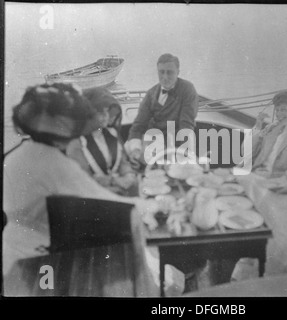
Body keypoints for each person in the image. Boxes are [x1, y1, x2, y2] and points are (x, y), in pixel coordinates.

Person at [3, 83, 184, 296]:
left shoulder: (16, 155)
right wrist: (157, 204)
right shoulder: (55, 163)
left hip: (12, 256)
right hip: (43, 263)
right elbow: (108, 202)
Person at [124, 53, 199, 165]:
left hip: (177, 141)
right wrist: (136, 150)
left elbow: (186, 125)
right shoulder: (151, 93)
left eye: (170, 72)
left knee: (183, 166)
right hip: (155, 141)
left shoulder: (187, 89)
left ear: (178, 72)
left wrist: (181, 155)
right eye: (161, 72)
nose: (165, 77)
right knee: (128, 148)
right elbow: (138, 126)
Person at [67, 88, 138, 196]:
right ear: (88, 115)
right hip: (95, 195)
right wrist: (114, 182)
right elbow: (85, 181)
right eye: (100, 112)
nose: (106, 116)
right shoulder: (76, 144)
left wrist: (128, 175)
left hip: (119, 189)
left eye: (107, 111)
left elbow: (123, 163)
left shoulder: (112, 134)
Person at [250, 91, 287, 180]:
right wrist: (258, 126)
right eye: (277, 110)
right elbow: (248, 151)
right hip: (257, 173)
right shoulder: (271, 127)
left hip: (282, 180)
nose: (278, 114)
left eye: (283, 110)